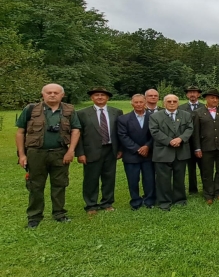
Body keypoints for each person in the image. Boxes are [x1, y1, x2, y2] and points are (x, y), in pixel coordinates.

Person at [15, 83, 81, 228]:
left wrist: (71, 151)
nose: (52, 95)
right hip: (36, 153)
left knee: (60, 184)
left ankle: (59, 214)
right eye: (49, 92)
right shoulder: (31, 109)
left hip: (60, 152)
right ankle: (34, 217)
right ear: (43, 94)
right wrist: (21, 155)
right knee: (35, 185)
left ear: (62, 95)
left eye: (56, 93)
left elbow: (76, 130)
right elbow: (20, 132)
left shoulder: (69, 110)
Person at [76, 87, 123, 215]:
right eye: (96, 95)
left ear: (107, 98)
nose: (100, 97)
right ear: (92, 98)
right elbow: (77, 135)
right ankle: (91, 205)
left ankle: (107, 203)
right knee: (91, 178)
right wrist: (80, 153)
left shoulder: (116, 112)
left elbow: (120, 133)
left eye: (103, 95)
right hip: (91, 150)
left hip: (110, 149)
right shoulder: (82, 113)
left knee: (109, 177)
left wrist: (120, 149)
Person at [149, 94, 194, 210]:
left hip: (181, 151)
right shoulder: (155, 116)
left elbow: (190, 128)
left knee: (180, 178)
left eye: (174, 101)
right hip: (163, 152)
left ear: (178, 103)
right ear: (164, 103)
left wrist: (180, 139)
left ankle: (180, 200)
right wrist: (169, 141)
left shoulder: (186, 115)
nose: (172, 103)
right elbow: (154, 131)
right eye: (169, 101)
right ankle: (164, 202)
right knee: (163, 179)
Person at [192, 89, 219, 204]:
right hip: (206, 147)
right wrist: (197, 148)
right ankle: (208, 194)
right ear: (206, 99)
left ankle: (218, 192)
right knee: (207, 172)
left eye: (216, 98)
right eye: (212, 98)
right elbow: (196, 132)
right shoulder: (198, 112)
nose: (214, 100)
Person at [117, 94, 155, 210]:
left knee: (149, 179)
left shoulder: (153, 117)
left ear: (145, 103)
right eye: (136, 102)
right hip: (131, 154)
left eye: (141, 102)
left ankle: (149, 200)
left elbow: (155, 134)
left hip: (148, 153)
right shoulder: (123, 119)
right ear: (132, 103)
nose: (139, 104)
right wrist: (137, 149)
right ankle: (135, 201)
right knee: (133, 180)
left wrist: (147, 146)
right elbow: (122, 136)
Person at [178, 85, 204, 195]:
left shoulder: (204, 107)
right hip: (186, 142)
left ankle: (207, 188)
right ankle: (193, 190)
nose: (192, 94)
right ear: (187, 95)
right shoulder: (181, 108)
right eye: (190, 92)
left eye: (195, 92)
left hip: (202, 141)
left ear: (198, 94)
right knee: (190, 167)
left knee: (204, 166)